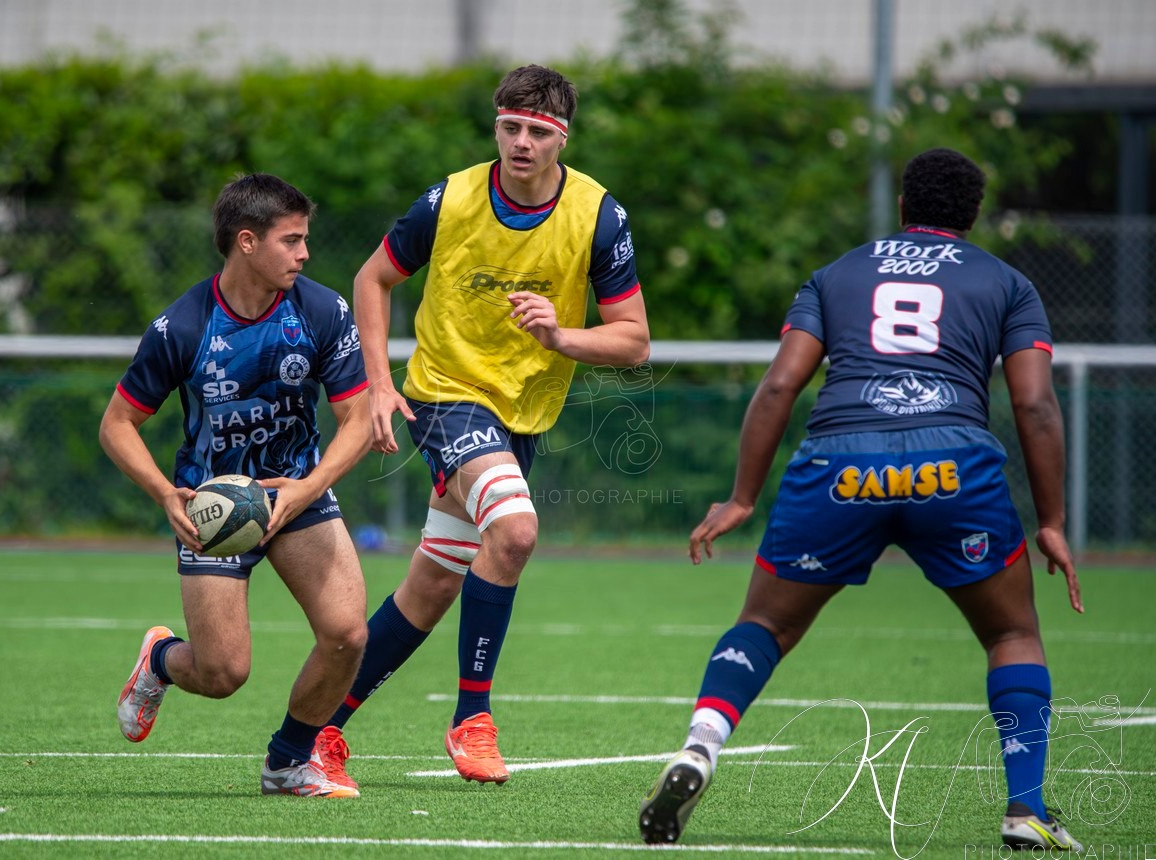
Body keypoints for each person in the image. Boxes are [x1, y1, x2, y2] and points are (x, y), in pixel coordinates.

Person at [638, 148, 1084, 850]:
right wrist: (1053, 521)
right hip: (953, 467)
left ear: (903, 207)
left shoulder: (838, 273)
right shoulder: (1007, 282)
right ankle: (1025, 807)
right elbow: (1034, 404)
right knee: (1011, 634)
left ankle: (700, 746)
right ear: (972, 216)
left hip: (843, 465)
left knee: (764, 625)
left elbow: (780, 387)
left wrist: (741, 497)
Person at [320, 63, 651, 786]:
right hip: (445, 395)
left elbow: (633, 339)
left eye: (538, 131)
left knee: (434, 583)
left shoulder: (598, 214)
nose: (521, 142)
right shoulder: (452, 197)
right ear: (496, 126)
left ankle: (319, 730)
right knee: (517, 530)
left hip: (523, 415)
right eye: (509, 127)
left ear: (563, 139)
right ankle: (473, 716)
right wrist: (378, 384)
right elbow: (371, 280)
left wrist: (563, 337)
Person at [99, 173, 372, 799]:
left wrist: (309, 487)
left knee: (347, 633)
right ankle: (162, 659)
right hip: (213, 508)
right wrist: (166, 494)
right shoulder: (182, 327)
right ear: (246, 242)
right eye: (292, 241)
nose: (304, 254)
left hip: (295, 494)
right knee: (223, 674)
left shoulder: (322, 310)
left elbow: (357, 421)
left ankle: (287, 762)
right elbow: (117, 425)